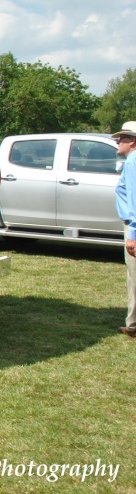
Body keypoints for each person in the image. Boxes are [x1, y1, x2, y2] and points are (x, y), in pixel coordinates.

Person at [113, 121, 136, 337]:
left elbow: (135, 199)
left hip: (134, 226)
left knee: (135, 275)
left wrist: (133, 235)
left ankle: (134, 325)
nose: (118, 142)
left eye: (123, 138)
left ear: (133, 141)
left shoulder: (132, 163)